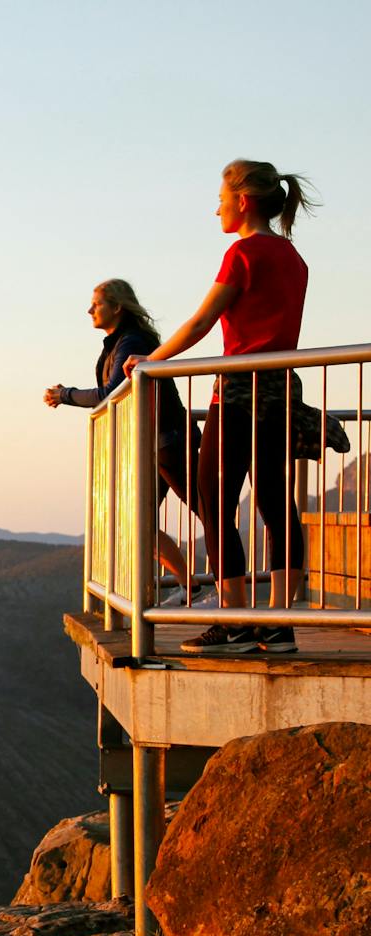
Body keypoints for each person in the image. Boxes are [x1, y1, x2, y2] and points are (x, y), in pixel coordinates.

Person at [126, 159, 316, 654]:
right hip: (281, 388)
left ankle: (231, 621)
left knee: (213, 498)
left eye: (220, 199)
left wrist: (150, 361)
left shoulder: (242, 254)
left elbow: (200, 323)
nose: (216, 210)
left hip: (238, 389)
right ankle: (279, 622)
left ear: (243, 200)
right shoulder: (294, 258)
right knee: (275, 501)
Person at [45, 278, 202, 602]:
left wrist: (65, 395)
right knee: (138, 522)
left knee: (209, 515)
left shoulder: (130, 342)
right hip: (154, 444)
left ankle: (223, 595)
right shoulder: (122, 341)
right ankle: (192, 588)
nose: (90, 310)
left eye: (97, 304)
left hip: (167, 441)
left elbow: (112, 392)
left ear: (117, 307)